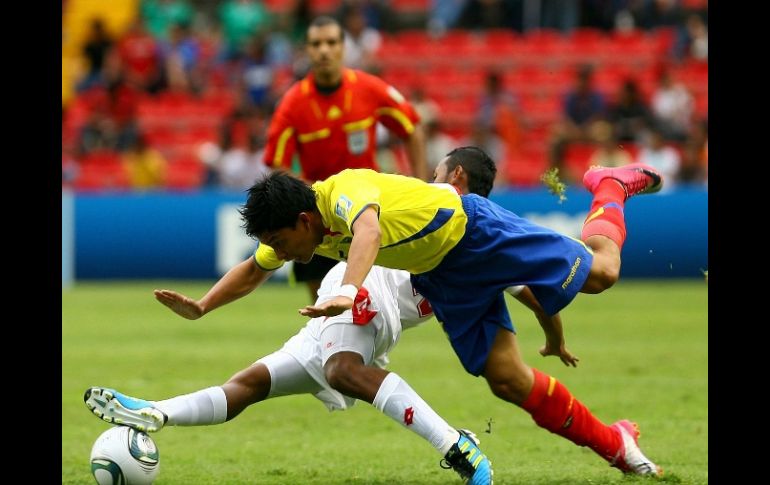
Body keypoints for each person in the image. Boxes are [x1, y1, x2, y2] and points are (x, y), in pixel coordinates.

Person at [148, 146, 664, 477]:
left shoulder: (344, 193)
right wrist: (203, 307)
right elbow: (253, 269)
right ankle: (614, 444)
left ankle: (610, 186)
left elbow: (368, 231)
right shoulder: (300, 233)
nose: (280, 254)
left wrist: (347, 293)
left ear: (304, 219)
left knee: (601, 275)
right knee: (507, 379)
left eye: (282, 242)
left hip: (474, 232)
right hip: (443, 274)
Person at [85, 261, 493, 484]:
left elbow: (520, 278)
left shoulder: (470, 241)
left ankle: (454, 443)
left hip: (364, 304)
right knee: (248, 384)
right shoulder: (412, 216)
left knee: (344, 371)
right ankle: (158, 411)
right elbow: (256, 266)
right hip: (343, 303)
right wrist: (204, 305)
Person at [262, 15, 429, 302]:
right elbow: (276, 163)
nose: (324, 50)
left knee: (374, 302)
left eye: (331, 42)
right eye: (316, 44)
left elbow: (412, 129)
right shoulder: (292, 103)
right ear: (307, 50)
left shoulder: (369, 88)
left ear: (343, 47)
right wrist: (306, 194)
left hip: (366, 212)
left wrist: (421, 182)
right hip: (318, 218)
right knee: (323, 308)